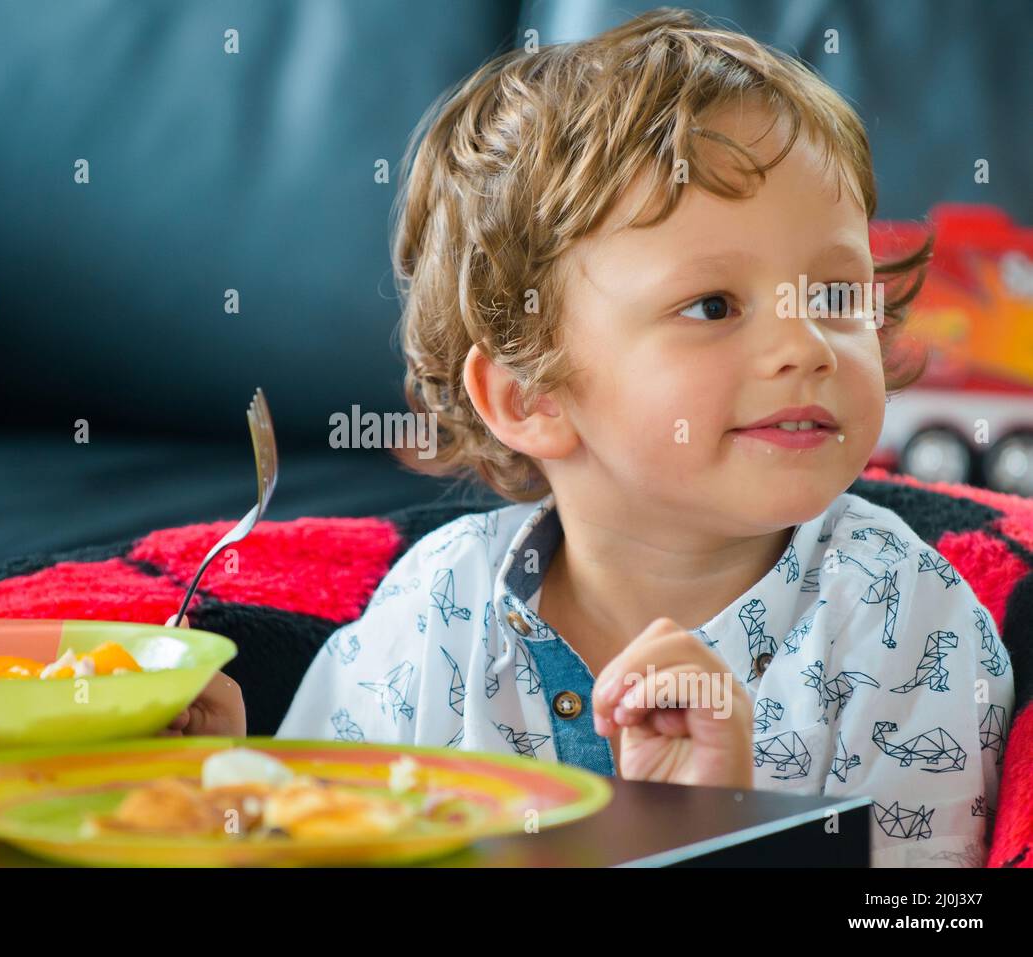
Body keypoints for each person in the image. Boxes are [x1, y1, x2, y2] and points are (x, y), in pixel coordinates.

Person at [165, 8, 1014, 868]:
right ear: (531, 397)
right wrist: (218, 786)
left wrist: (724, 828)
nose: (806, 345)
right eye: (713, 306)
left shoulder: (908, 621)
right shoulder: (430, 618)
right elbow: (322, 845)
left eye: (835, 295)